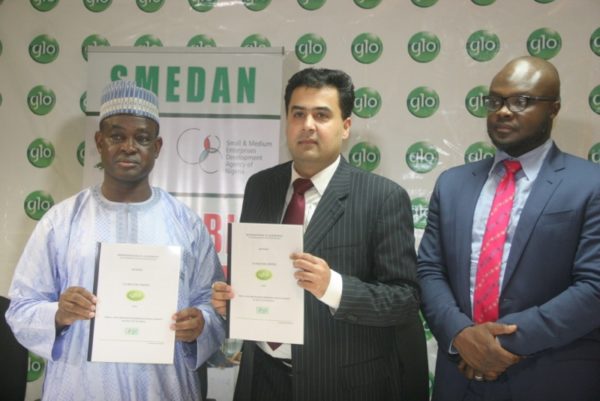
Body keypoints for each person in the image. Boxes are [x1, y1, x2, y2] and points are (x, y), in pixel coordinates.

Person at [212, 68, 428, 401]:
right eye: (298, 114)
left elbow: (405, 299)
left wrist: (334, 287)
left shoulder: (382, 197)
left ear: (346, 127)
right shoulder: (260, 186)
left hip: (342, 385)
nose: (308, 125)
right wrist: (234, 305)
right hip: (262, 381)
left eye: (322, 115)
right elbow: (258, 278)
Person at [5, 80, 225, 401]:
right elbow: (21, 308)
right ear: (99, 141)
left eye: (142, 138)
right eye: (117, 136)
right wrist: (59, 313)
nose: (129, 147)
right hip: (79, 387)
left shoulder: (185, 223)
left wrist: (200, 324)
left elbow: (213, 304)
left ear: (158, 147)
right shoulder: (61, 220)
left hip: (163, 388)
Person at [417, 55, 600, 401]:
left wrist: (495, 344)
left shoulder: (591, 184)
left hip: (553, 377)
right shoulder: (452, 184)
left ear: (554, 108)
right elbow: (429, 270)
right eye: (495, 101)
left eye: (520, 101)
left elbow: (594, 288)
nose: (503, 111)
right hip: (459, 379)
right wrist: (461, 335)